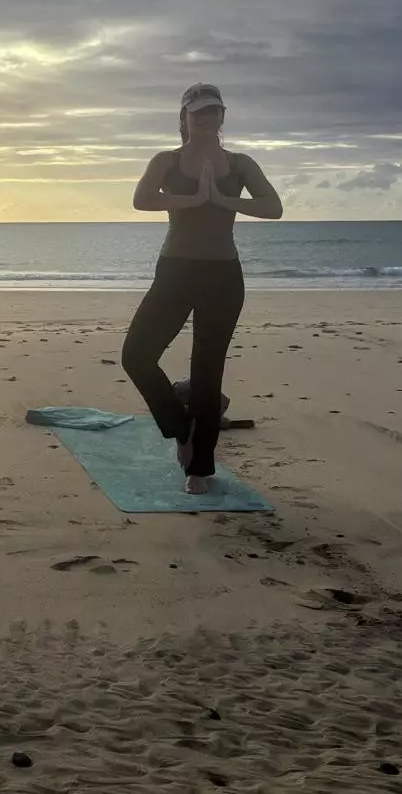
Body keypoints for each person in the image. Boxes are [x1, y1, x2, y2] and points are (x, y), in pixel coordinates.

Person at [121, 84, 282, 493]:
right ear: (183, 118)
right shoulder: (166, 161)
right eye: (199, 113)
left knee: (208, 370)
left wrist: (225, 201)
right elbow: (141, 199)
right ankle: (182, 427)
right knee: (137, 355)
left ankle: (200, 467)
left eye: (214, 112)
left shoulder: (240, 163)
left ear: (222, 117)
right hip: (175, 271)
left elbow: (273, 207)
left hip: (223, 276)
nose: (207, 119)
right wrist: (195, 197)